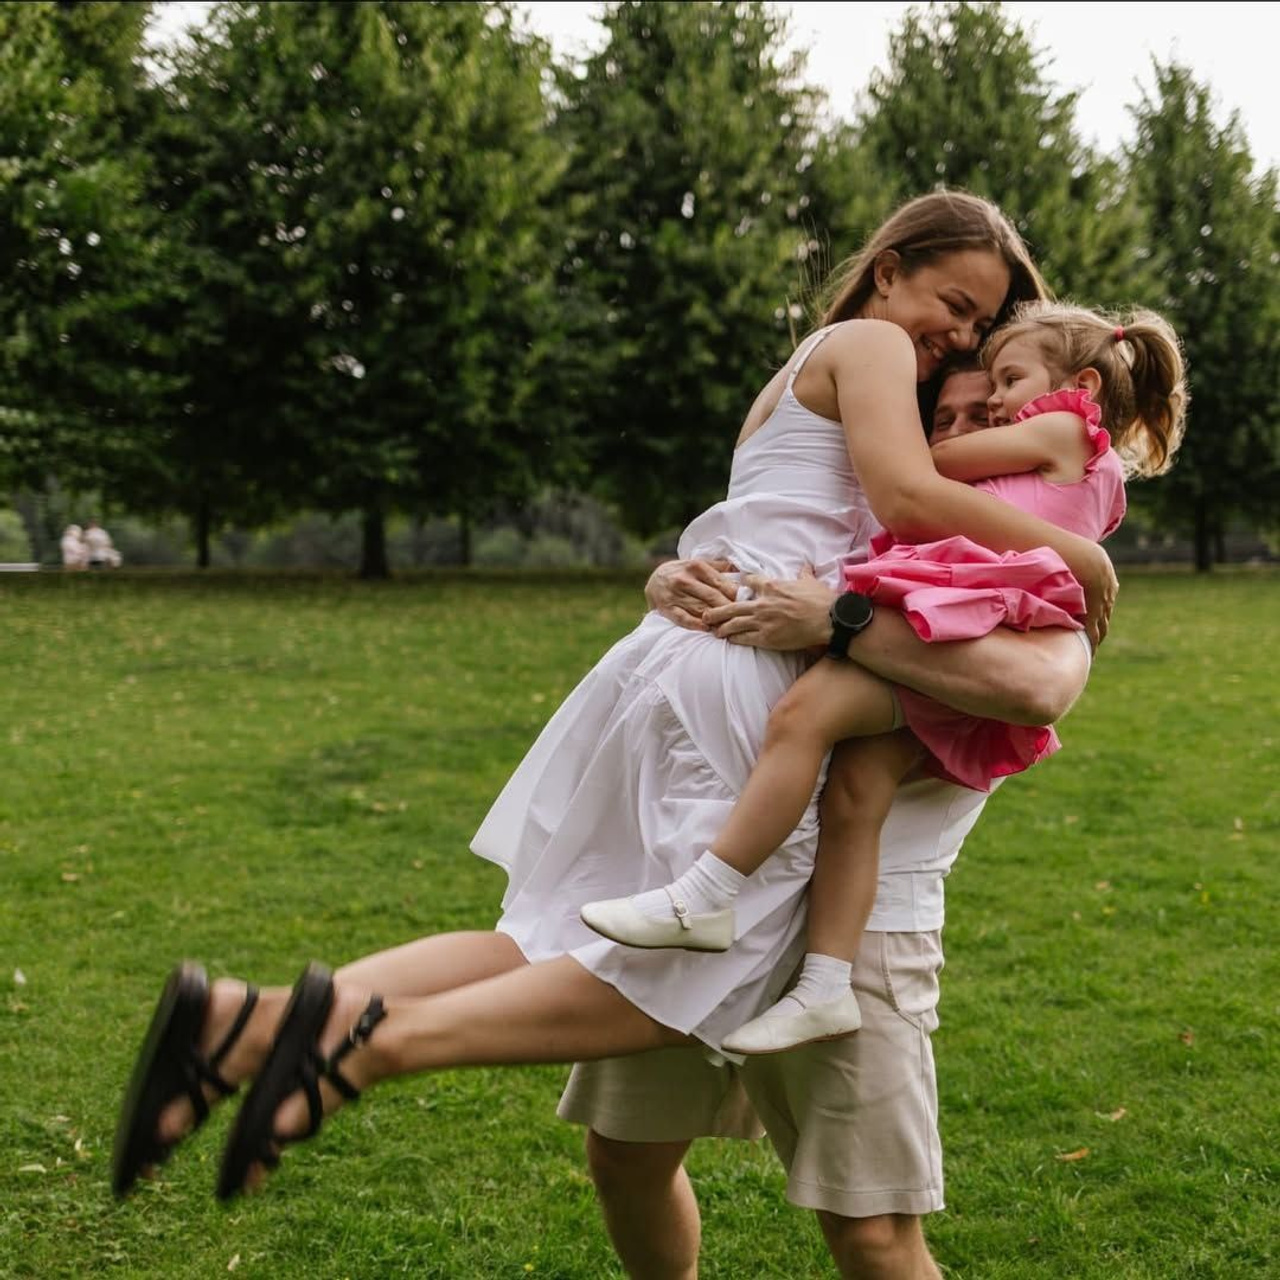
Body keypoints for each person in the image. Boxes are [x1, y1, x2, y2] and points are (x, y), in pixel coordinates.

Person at [114, 192, 1109, 1272]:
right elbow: (897, 499)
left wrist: (772, 592)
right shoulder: (888, 393)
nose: (960, 354)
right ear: (884, 271)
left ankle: (248, 1021)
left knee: (551, 939)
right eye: (952, 312)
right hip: (742, 714)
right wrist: (1080, 559)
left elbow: (1027, 673)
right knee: (677, 952)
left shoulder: (936, 474)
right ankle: (363, 1050)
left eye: (989, 367)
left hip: (694, 696)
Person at [579, 300, 1186, 1055]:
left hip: (966, 624)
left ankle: (708, 894)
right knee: (856, 792)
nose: (994, 403)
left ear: (1083, 383)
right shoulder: (1067, 460)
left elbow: (927, 474)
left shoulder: (1066, 429)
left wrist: (880, 443)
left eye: (1008, 378)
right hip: (959, 624)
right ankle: (826, 985)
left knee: (804, 717)